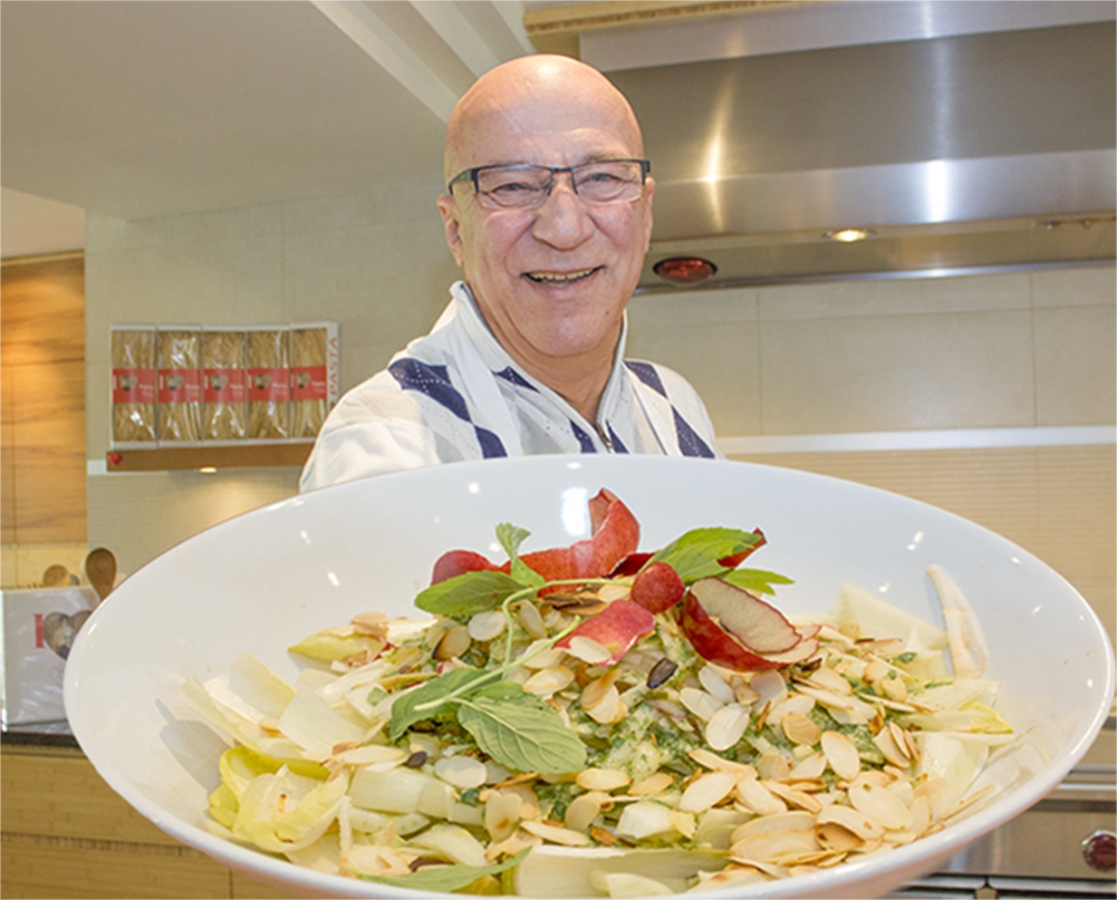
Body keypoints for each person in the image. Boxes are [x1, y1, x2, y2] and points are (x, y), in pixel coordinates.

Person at [300, 54, 720, 492]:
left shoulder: (675, 408)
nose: (564, 229)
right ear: (456, 228)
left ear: (646, 215)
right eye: (512, 186)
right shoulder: (386, 444)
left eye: (601, 178)